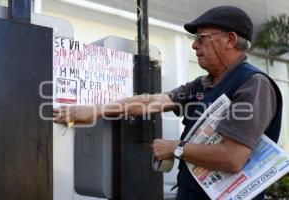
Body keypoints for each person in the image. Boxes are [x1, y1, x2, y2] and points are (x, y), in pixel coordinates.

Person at [53, 5, 282, 200]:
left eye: (202, 38)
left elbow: (232, 158)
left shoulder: (253, 85)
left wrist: (176, 148)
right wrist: (96, 110)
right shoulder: (202, 84)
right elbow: (151, 102)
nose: (194, 46)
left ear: (230, 40)